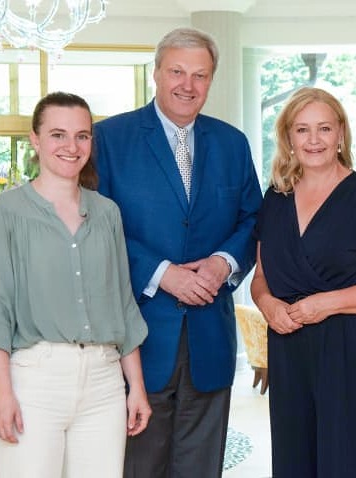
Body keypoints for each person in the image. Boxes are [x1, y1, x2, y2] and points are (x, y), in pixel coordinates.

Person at [92, 27, 262, 477]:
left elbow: (253, 219)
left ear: (211, 80)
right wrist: (161, 273)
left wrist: (223, 262)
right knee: (139, 466)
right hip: (138, 337)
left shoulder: (232, 143)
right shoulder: (108, 139)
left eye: (200, 75)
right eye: (177, 72)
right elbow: (95, 228)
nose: (188, 85)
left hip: (211, 337)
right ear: (156, 73)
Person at [0, 91, 151, 478]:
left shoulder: (107, 212)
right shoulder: (3, 212)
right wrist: (2, 393)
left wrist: (135, 385)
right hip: (34, 380)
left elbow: (122, 303)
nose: (72, 146)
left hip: (104, 382)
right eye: (58, 135)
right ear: (35, 140)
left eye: (82, 136)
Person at [251, 87, 356, 477]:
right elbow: (261, 276)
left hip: (350, 349)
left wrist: (325, 303)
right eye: (302, 129)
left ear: (340, 132)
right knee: (295, 459)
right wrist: (267, 304)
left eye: (324, 128)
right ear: (288, 137)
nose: (314, 140)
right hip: (289, 348)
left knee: (349, 461)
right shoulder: (275, 198)